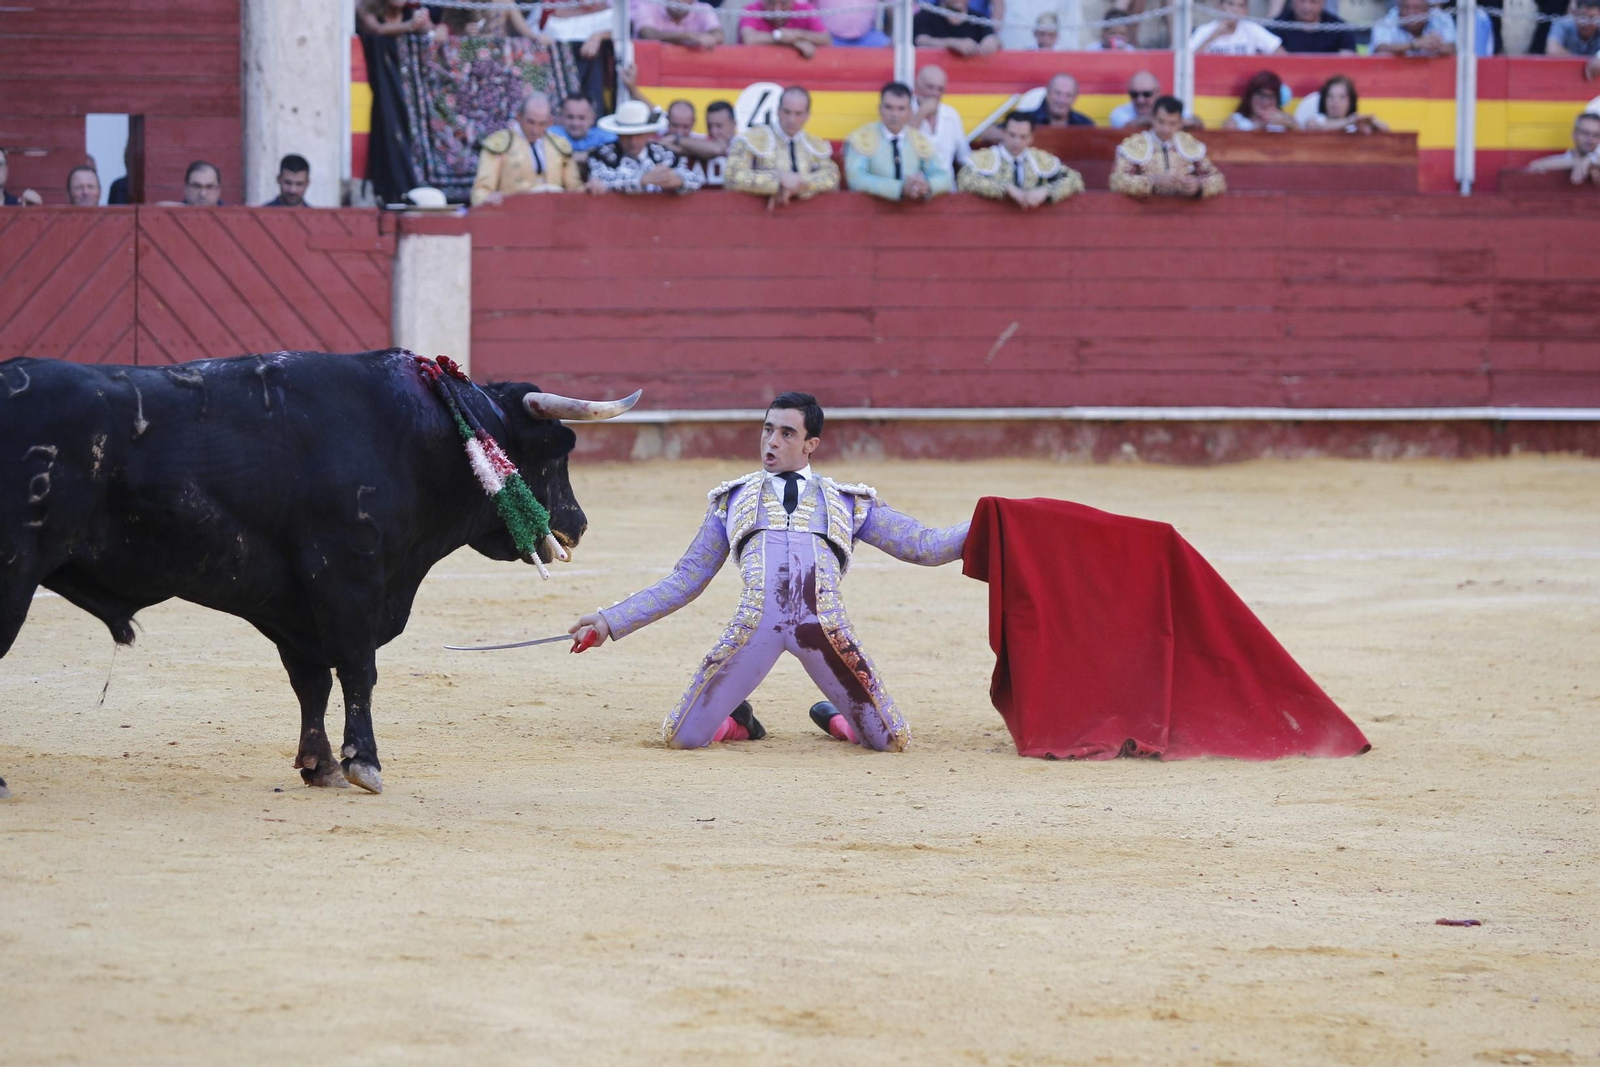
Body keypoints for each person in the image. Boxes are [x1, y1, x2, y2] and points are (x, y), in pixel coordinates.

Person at [567, 392, 970, 752]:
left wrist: (994, 521)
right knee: (682, 737)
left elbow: (924, 546)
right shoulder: (732, 499)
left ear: (811, 444)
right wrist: (610, 621)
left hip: (826, 633)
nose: (772, 442)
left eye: (787, 434)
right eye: (768, 430)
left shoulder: (848, 501)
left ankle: (837, 717)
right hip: (754, 629)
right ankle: (739, 722)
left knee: (888, 741)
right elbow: (687, 579)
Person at [725, 86, 840, 206]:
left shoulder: (814, 144)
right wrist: (778, 180)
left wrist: (798, 184)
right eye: (787, 112)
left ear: (807, 115)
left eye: (798, 114)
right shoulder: (752, 138)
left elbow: (832, 175)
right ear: (778, 110)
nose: (791, 119)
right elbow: (732, 176)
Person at [845, 82, 954, 202]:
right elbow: (856, 178)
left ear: (910, 111)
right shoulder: (861, 138)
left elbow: (944, 177)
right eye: (889, 107)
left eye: (901, 108)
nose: (894, 114)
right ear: (880, 109)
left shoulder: (919, 140)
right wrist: (899, 189)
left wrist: (926, 186)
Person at [472, 92, 581, 205]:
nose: (535, 130)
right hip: (512, 216)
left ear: (550, 121)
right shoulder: (500, 145)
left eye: (542, 124)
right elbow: (481, 190)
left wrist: (593, 188)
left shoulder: (559, 145)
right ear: (519, 116)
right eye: (530, 122)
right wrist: (489, 198)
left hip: (554, 216)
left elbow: (575, 188)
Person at [958, 111, 1085, 207]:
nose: (1016, 142)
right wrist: (1006, 188)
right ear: (1003, 132)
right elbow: (964, 179)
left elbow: (1075, 179)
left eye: (1023, 137)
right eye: (1012, 135)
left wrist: (1046, 192)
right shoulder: (986, 158)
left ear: (1031, 137)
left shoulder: (1040, 159)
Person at [1110, 95, 1226, 199]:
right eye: (1161, 122)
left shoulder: (1189, 145)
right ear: (1152, 118)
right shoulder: (1135, 145)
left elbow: (1218, 180)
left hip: (1184, 212)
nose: (1166, 129)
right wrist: (1152, 182)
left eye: (1172, 123)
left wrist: (1199, 185)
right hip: (1145, 213)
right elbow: (1117, 181)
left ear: (1181, 123)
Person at [586, 99, 704, 195]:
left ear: (648, 134)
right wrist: (642, 180)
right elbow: (600, 181)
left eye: (639, 135)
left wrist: (678, 181)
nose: (633, 142)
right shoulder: (602, 154)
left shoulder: (663, 153)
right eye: (627, 136)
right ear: (619, 134)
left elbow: (694, 179)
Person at [663, 99, 738, 187]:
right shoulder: (702, 141)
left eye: (719, 126)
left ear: (734, 124)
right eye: (709, 126)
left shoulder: (747, 147)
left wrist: (676, 139)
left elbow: (717, 149)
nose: (713, 131)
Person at [913, 65, 972, 173]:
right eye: (930, 87)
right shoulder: (903, 111)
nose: (935, 93)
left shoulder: (951, 114)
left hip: (946, 186)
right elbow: (899, 146)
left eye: (940, 89)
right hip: (914, 186)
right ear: (916, 86)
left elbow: (964, 157)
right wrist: (921, 114)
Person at [1525, 111, 1600, 185]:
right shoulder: (1561, 160)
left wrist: (1591, 162)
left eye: (1596, 135)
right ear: (1574, 134)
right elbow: (1533, 167)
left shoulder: (1596, 161)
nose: (1590, 139)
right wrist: (1577, 162)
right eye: (1585, 133)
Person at [551, 94, 619, 175]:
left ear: (592, 118)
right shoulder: (552, 134)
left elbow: (615, 157)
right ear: (561, 117)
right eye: (570, 117)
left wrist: (570, 157)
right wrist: (590, 155)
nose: (575, 123)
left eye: (581, 118)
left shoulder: (605, 135)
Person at [739, 0, 832, 58]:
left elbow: (826, 39)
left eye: (784, 2)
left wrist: (795, 34)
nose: (777, 10)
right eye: (771, 2)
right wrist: (793, 42)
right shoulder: (752, 9)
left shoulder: (805, 10)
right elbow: (749, 39)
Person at [1297, 74, 1389, 133]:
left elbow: (1385, 129)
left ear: (1351, 101)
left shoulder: (1356, 124)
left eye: (1342, 97)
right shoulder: (1318, 119)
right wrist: (1350, 121)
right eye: (1330, 96)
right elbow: (1313, 127)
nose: (1335, 101)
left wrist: (1371, 123)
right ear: (1324, 100)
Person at [1191, 0, 1282, 55]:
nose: (1235, 10)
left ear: (1245, 10)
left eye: (1240, 5)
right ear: (1219, 6)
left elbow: (1279, 51)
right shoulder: (1205, 30)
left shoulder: (1251, 29)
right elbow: (1186, 59)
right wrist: (1213, 36)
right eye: (1230, 4)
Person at [913, 0, 1002, 55]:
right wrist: (952, 43)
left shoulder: (978, 18)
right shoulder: (926, 15)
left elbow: (993, 39)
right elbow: (921, 40)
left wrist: (993, 40)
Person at [1369, 0, 1455, 56]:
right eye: (1406, 7)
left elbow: (1453, 48)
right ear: (1399, 8)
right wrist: (1414, 45)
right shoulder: (1388, 19)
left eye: (1417, 8)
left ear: (1427, 9)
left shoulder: (1441, 18)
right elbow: (1381, 49)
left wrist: (1436, 45)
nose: (1411, 12)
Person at [632, 0, 724, 50]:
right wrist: (687, 36)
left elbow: (718, 35)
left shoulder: (703, 9)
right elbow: (647, 34)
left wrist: (710, 38)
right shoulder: (648, 5)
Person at [1273, 0, 1358, 52]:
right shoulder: (1277, 25)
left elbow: (1347, 59)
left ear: (1323, 2)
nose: (1306, 7)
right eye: (1302, 1)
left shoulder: (1339, 28)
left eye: (1313, 2)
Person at [1224, 71, 1298, 131]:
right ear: (1250, 97)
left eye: (1270, 96)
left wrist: (1290, 125)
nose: (1265, 102)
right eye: (1260, 95)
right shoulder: (1235, 122)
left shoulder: (1286, 121)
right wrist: (1258, 128)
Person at [1547, 0, 1600, 82]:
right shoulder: (1563, 24)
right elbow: (1552, 51)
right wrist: (1583, 64)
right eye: (1582, 17)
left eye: (1592, 18)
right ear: (1575, 14)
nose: (1586, 22)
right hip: (1563, 80)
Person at [1029, 73, 1095, 127]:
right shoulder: (1027, 122)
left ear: (1075, 98)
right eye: (1057, 93)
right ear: (1048, 93)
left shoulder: (1085, 125)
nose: (1062, 100)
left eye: (1068, 95)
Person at [818, 0, 892, 46]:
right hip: (829, 39)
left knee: (894, 52)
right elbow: (806, 8)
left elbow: (895, 8)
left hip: (868, 37)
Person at [356, 0, 432, 36]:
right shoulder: (367, 4)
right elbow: (376, 29)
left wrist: (440, 28)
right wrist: (410, 25)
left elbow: (428, 29)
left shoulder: (411, 7)